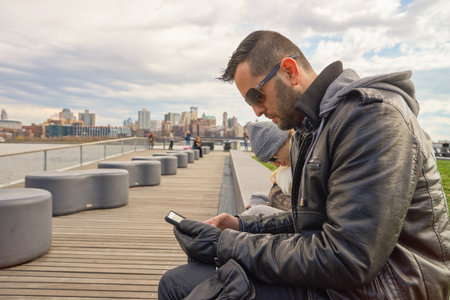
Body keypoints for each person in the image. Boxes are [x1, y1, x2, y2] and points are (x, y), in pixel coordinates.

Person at [158, 30, 450, 299]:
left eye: (256, 95)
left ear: (289, 71)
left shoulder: (373, 120)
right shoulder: (311, 129)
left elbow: (347, 257)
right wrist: (241, 225)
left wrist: (227, 244)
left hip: (384, 288)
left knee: (180, 285)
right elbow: (312, 221)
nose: (257, 111)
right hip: (343, 282)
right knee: (190, 275)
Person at [242, 121, 293, 216]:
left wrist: (273, 198)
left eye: (273, 157)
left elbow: (300, 207)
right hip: (284, 206)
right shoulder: (290, 163)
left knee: (254, 212)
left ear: (284, 142)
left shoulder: (302, 161)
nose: (276, 164)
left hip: (299, 218)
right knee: (256, 197)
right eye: (271, 161)